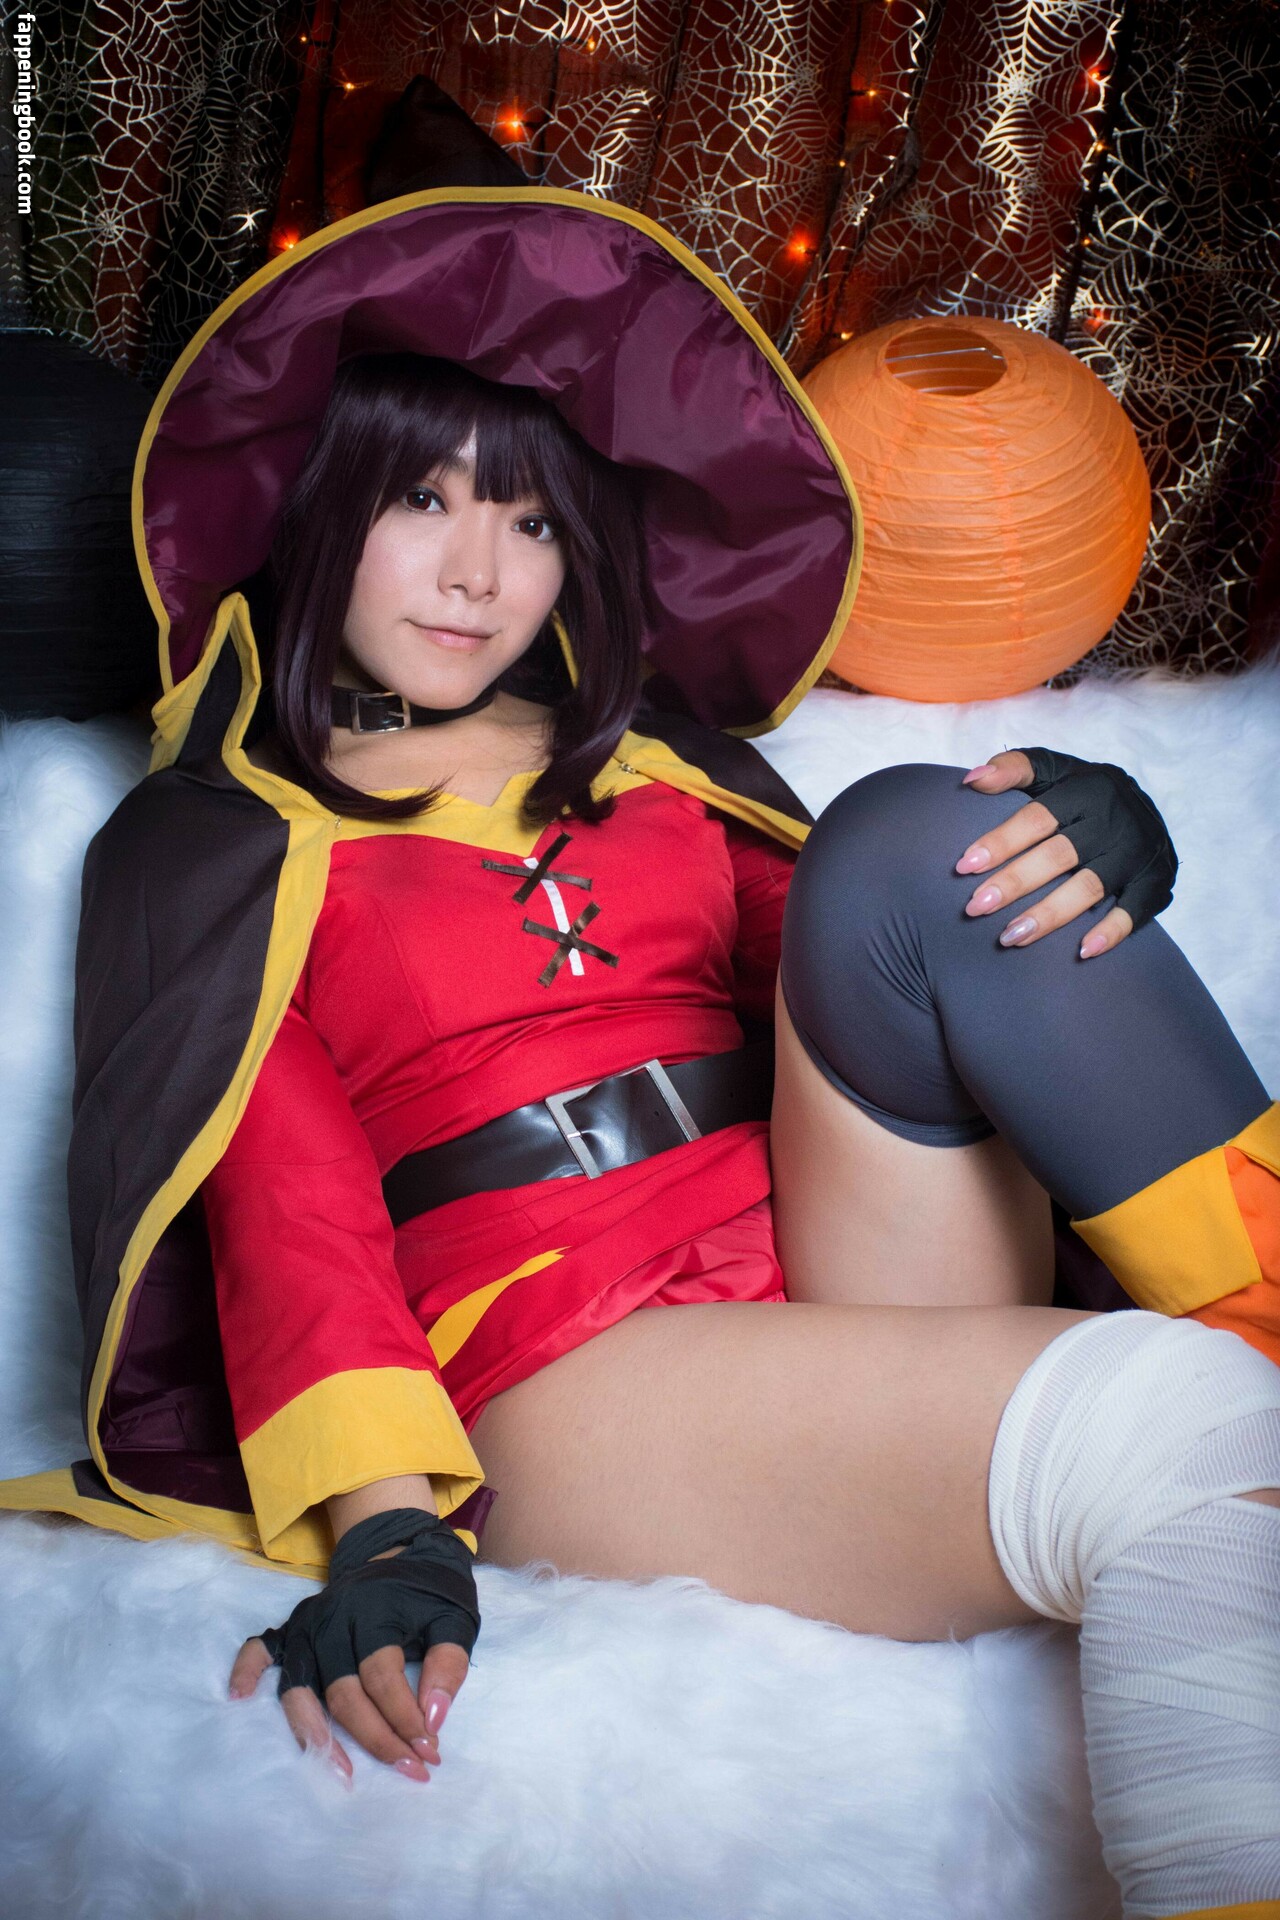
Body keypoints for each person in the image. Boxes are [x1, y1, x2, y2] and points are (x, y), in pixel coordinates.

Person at [2, 190, 1276, 1918]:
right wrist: (387, 1527)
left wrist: (1075, 836)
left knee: (919, 835)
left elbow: (883, 972)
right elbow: (286, 1209)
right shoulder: (216, 843)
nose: (478, 572)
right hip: (563, 1354)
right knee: (1175, 1430)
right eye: (420, 500)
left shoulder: (651, 765)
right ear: (316, 508)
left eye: (529, 520)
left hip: (815, 1255)